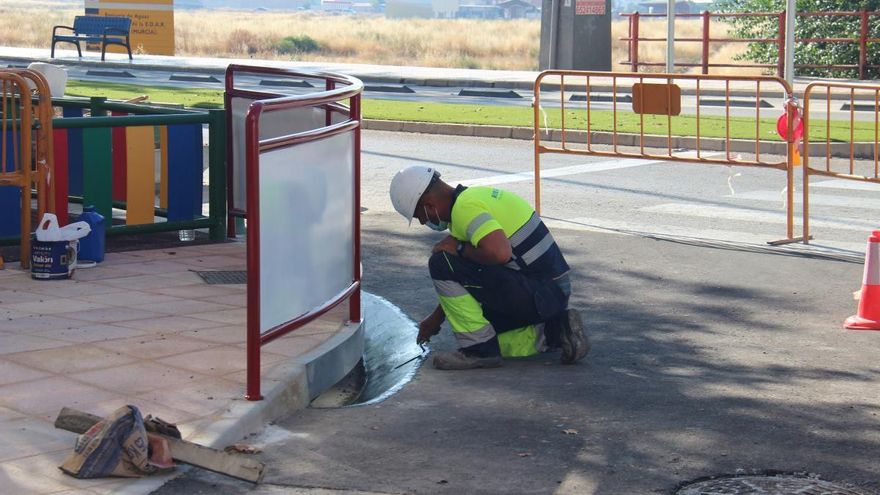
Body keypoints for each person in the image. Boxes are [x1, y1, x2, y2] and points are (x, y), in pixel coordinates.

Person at [389, 165, 590, 370]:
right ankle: (558, 331)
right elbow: (466, 282)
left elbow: (498, 253)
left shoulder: (465, 209)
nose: (423, 222)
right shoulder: (474, 197)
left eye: (419, 216)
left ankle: (479, 351)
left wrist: (458, 247)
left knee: (441, 262)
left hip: (541, 293)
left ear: (428, 205)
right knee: (486, 329)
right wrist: (436, 319)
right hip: (550, 294)